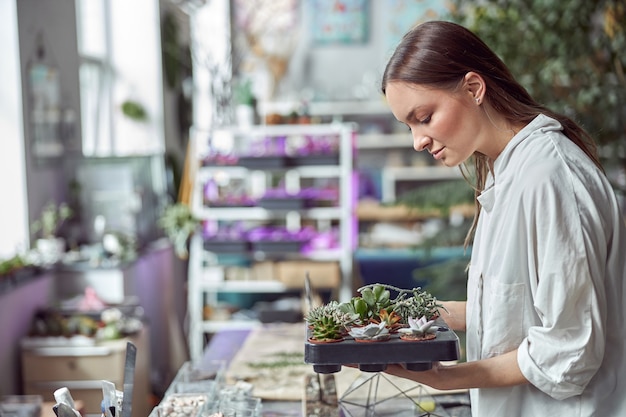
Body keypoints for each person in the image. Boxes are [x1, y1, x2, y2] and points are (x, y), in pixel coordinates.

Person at [380, 20, 626, 416]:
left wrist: (447, 378)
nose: (418, 141)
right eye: (408, 126)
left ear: (474, 88)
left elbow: (569, 350)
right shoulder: (507, 172)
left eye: (424, 117)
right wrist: (407, 317)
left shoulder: (549, 176)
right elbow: (514, 312)